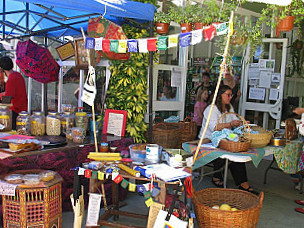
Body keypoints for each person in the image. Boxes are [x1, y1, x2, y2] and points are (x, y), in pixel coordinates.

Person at [198, 85, 257, 194]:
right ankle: (236, 181)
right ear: (220, 95)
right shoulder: (211, 109)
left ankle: (241, 182)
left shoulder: (229, 107)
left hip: (224, 139)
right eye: (228, 95)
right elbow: (214, 127)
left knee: (235, 150)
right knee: (230, 152)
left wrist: (241, 123)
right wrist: (230, 124)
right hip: (209, 140)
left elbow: (234, 121)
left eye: (231, 95)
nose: (230, 97)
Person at [0, 56, 27, 130]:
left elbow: (7, 99)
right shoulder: (18, 75)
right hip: (22, 109)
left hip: (15, 111)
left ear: (2, 69)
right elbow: (14, 92)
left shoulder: (12, 78)